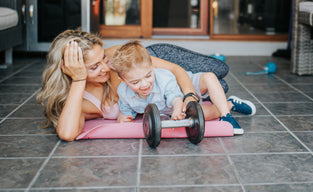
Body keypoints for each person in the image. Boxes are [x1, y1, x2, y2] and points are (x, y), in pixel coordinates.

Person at [36, 29, 249, 141]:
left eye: (102, 58)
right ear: (70, 69)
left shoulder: (115, 58)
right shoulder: (79, 100)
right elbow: (66, 134)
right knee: (220, 88)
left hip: (152, 64)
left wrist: (189, 97)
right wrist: (79, 79)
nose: (105, 67)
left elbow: (175, 70)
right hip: (155, 92)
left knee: (219, 71)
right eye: (94, 67)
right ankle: (227, 103)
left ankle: (216, 97)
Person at [110, 41, 255, 135]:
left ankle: (226, 116)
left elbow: (176, 98)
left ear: (152, 67)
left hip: (182, 86)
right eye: (135, 82)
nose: (144, 84)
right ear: (122, 80)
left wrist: (178, 110)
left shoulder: (163, 77)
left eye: (148, 76)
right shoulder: (123, 91)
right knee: (203, 114)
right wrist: (123, 118)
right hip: (173, 104)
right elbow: (125, 110)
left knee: (210, 76)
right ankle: (230, 104)